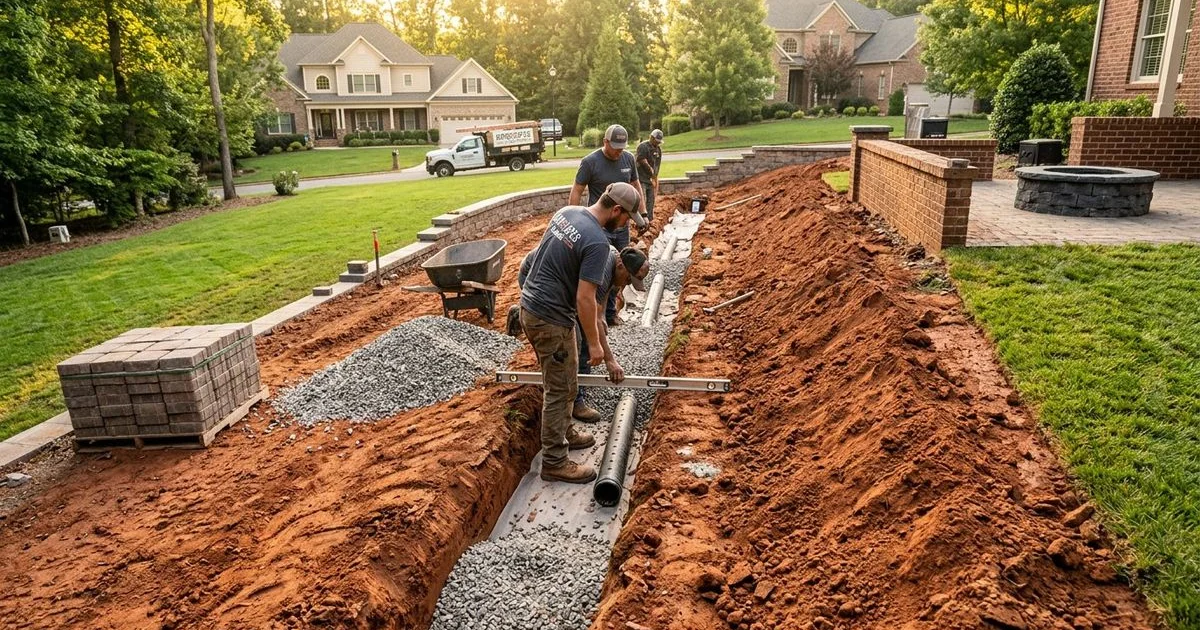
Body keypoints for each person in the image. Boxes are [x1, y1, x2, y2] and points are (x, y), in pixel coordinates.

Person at [518, 182, 647, 483]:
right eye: (627, 218)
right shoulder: (598, 243)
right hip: (550, 318)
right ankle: (554, 461)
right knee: (559, 389)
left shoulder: (567, 213)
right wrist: (595, 345)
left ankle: (564, 432)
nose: (626, 224)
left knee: (567, 379)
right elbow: (585, 299)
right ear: (616, 210)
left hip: (534, 309)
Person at [570, 124, 645, 327]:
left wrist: (643, 213)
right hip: (600, 226)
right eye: (615, 147)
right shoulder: (590, 162)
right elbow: (577, 190)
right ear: (605, 142)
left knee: (620, 269)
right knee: (599, 269)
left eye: (622, 147)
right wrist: (574, 218)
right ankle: (592, 313)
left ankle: (610, 312)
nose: (619, 151)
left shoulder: (628, 159)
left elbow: (635, 185)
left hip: (621, 227)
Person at [635, 129, 663, 223]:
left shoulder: (658, 150)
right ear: (651, 137)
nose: (657, 143)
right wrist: (651, 173)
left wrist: (655, 179)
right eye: (656, 141)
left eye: (659, 142)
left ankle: (650, 221)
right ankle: (640, 222)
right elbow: (642, 161)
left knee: (651, 200)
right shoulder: (643, 147)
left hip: (650, 180)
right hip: (641, 179)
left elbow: (657, 166)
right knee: (642, 201)